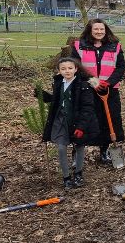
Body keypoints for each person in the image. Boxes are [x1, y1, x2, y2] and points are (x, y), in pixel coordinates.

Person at [70, 18, 125, 165]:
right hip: (87, 89)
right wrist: (94, 82)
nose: (99, 32)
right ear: (90, 30)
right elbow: (75, 66)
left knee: (108, 121)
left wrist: (109, 82)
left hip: (109, 91)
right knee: (84, 121)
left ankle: (104, 151)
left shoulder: (115, 46)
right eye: (96, 29)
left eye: (102, 29)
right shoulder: (79, 46)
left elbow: (120, 67)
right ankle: (77, 153)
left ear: (106, 30)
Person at [41, 57, 99, 189]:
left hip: (78, 122)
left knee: (79, 147)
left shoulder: (84, 85)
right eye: (63, 69)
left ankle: (78, 174)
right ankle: (66, 177)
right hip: (61, 120)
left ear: (76, 69)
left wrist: (81, 127)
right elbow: (59, 100)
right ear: (59, 71)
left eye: (70, 68)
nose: (67, 71)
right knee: (61, 148)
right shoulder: (58, 83)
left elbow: (87, 107)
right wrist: (45, 97)